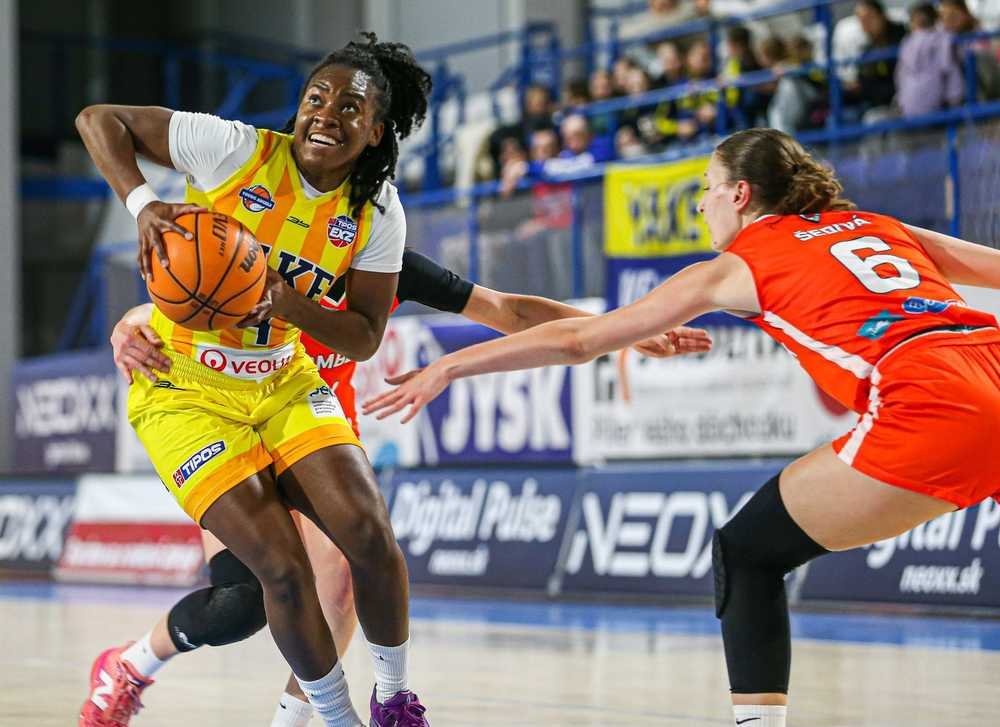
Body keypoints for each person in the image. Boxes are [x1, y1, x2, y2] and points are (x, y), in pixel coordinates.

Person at [363, 127, 1000, 727]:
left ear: (740, 194)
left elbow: (580, 341)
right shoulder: (880, 226)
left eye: (707, 187)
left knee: (747, 554)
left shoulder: (738, 265)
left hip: (927, 396)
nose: (701, 204)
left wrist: (449, 366)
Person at [99, 247, 713, 726]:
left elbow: (507, 311)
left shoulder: (379, 262)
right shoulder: (267, 240)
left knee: (341, 584)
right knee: (240, 607)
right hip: (223, 420)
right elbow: (177, 295)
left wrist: (623, 329)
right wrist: (128, 325)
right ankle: (130, 665)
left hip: (310, 424)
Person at [75, 32, 434, 727]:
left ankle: (394, 702)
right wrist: (144, 205)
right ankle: (332, 717)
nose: (326, 114)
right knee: (268, 584)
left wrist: (291, 304)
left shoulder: (378, 211)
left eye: (349, 107)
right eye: (316, 98)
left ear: (375, 130)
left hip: (283, 380)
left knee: (367, 536)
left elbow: (365, 334)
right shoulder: (234, 149)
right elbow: (98, 120)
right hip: (186, 387)